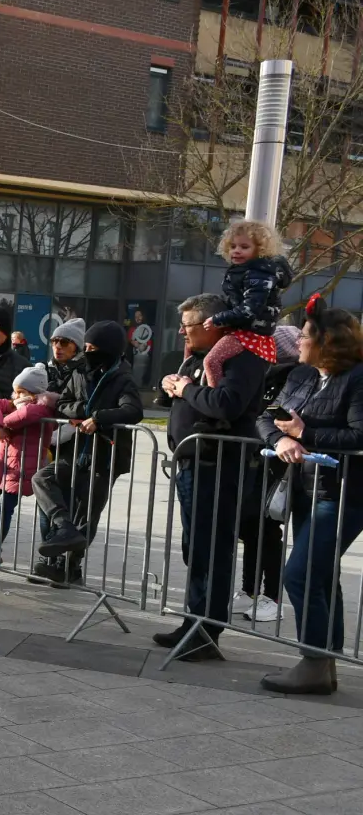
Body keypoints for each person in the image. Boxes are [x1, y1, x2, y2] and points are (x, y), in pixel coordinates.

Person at [153, 293, 268, 662]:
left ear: (211, 324)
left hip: (220, 466)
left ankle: (206, 630)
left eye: (187, 325)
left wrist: (185, 389)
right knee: (196, 548)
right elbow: (183, 399)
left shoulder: (240, 357)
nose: (182, 332)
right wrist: (173, 385)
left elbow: (227, 404)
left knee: (212, 549)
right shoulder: (199, 358)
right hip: (193, 463)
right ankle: (194, 621)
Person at [257, 301, 363, 695]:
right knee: (320, 574)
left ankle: (315, 660)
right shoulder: (301, 374)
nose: (298, 340)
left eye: (305, 334)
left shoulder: (357, 379)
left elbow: (359, 435)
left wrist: (306, 434)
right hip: (304, 488)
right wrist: (281, 437)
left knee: (299, 574)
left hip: (342, 494)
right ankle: (324, 662)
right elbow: (266, 413)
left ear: (327, 340)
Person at [33, 321, 144, 588]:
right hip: (76, 450)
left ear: (107, 349)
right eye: (87, 347)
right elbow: (63, 403)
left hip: (105, 456)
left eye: (93, 348)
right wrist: (86, 410)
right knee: (42, 478)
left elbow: (133, 411)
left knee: (87, 513)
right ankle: (63, 527)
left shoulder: (123, 377)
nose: (88, 352)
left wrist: (99, 417)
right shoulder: (81, 370)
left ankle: (69, 567)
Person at [235, 323, 301, 624]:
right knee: (251, 527)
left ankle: (271, 596)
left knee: (266, 529)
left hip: (278, 461)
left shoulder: (292, 377)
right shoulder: (269, 375)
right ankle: (249, 590)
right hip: (259, 458)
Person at [0, 363, 58, 560]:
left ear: (33, 394)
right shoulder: (17, 403)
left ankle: (49, 556)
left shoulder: (41, 408)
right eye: (14, 391)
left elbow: (25, 415)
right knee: (2, 511)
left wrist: (3, 422)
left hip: (29, 468)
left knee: (44, 513)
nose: (15, 396)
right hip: (10, 468)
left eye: (20, 392)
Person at [207, 218, 291, 385]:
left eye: (244, 247)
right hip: (245, 327)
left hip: (251, 331)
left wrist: (218, 319)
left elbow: (250, 308)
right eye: (233, 246)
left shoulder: (258, 273)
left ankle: (213, 394)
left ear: (259, 250)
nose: (236, 251)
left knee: (211, 361)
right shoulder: (241, 271)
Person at [46, 318, 86, 396]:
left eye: (64, 342)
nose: (57, 346)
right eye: (55, 341)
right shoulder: (44, 369)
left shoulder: (85, 374)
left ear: (76, 348)